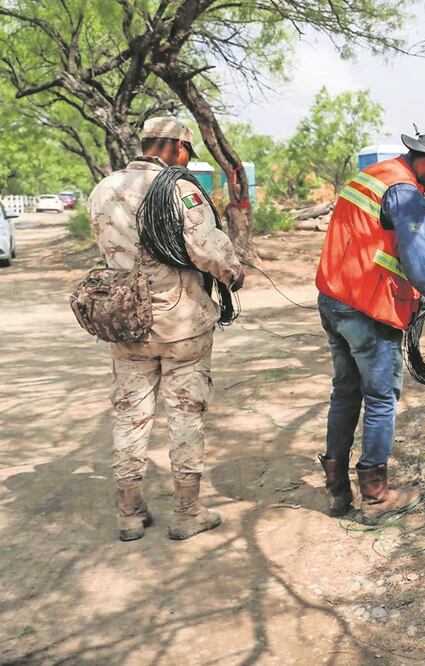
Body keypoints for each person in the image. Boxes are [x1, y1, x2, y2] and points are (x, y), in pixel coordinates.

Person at [315, 128, 425, 522]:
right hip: (368, 310)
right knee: (380, 398)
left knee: (345, 392)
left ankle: (337, 492)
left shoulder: (373, 175)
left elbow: (376, 246)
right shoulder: (407, 194)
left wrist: (420, 297)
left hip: (334, 299)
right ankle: (375, 496)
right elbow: (420, 267)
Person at [87, 117, 245, 542]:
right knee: (185, 414)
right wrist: (232, 273)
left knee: (130, 415)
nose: (187, 161)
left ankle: (130, 511)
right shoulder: (178, 189)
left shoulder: (104, 189)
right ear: (176, 147)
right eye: (187, 153)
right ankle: (187, 511)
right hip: (181, 326)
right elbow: (206, 248)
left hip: (127, 324)